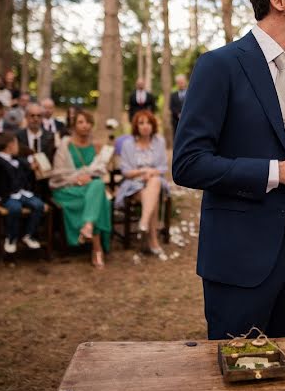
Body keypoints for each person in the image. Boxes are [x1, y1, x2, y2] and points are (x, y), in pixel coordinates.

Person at [173, 0, 285, 339]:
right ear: (279, 0)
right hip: (239, 259)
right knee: (238, 377)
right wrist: (277, 172)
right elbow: (189, 163)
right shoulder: (219, 66)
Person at [49, 110, 112, 270]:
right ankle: (97, 249)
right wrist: (77, 179)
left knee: (97, 186)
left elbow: (103, 171)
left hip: (90, 190)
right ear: (73, 125)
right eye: (81, 122)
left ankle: (88, 226)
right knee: (98, 196)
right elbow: (57, 175)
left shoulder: (96, 146)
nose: (85, 126)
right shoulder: (65, 146)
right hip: (67, 190)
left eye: (88, 122)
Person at [115, 110, 171, 255]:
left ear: (153, 125)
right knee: (152, 198)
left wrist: (151, 172)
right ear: (136, 126)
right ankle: (153, 241)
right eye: (141, 123)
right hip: (133, 184)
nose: (145, 126)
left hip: (154, 181)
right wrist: (142, 172)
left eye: (148, 123)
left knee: (156, 181)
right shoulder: (128, 144)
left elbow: (163, 167)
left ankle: (144, 222)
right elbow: (126, 171)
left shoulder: (159, 141)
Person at [0, 133, 44, 255]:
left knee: (39, 205)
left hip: (22, 193)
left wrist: (32, 167)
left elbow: (27, 168)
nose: (18, 146)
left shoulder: (18, 159)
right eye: (16, 143)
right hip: (7, 195)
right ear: (10, 145)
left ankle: (29, 234)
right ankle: (11, 237)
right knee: (15, 208)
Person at [17, 103, 56, 197]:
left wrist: (40, 165)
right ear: (26, 117)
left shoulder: (50, 136)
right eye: (32, 115)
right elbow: (15, 156)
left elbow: (51, 157)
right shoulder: (18, 136)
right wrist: (29, 164)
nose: (35, 119)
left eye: (39, 116)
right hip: (24, 177)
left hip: (44, 179)